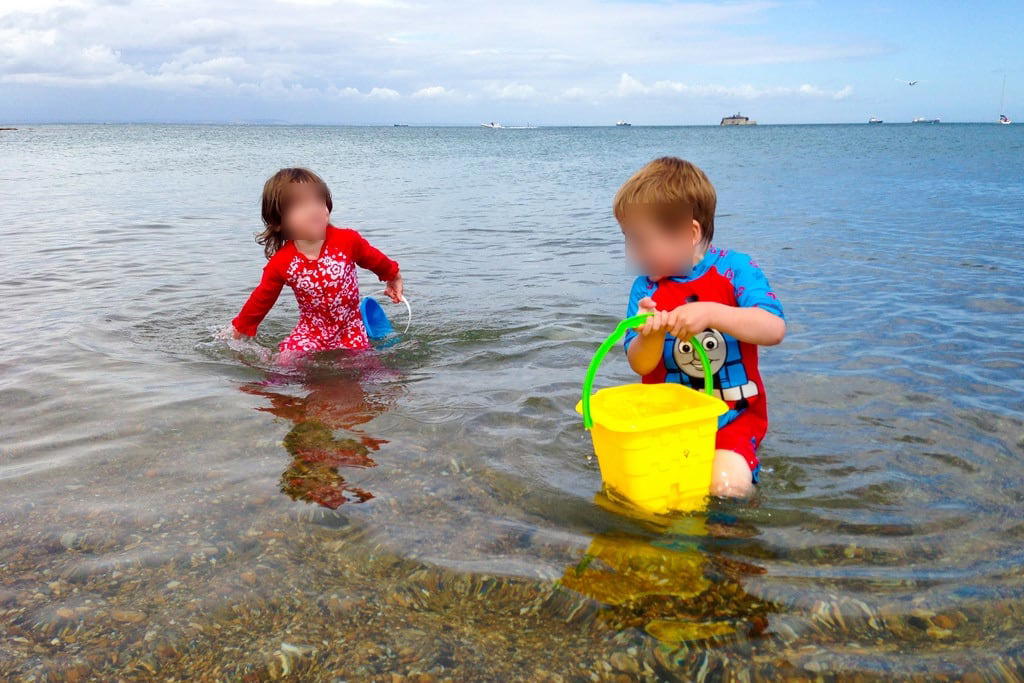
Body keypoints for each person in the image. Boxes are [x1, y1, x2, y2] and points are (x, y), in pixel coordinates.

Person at [615, 157, 785, 497]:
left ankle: (730, 544)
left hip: (731, 418)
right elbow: (640, 364)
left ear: (689, 234)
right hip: (666, 423)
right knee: (650, 496)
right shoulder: (646, 290)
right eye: (629, 239)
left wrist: (711, 313)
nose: (633, 252)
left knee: (725, 486)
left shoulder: (735, 270)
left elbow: (773, 329)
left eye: (641, 240)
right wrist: (651, 335)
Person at [231, 168, 404, 362]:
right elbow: (260, 300)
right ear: (278, 221)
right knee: (285, 361)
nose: (313, 209)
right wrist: (239, 330)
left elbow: (377, 261)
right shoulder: (282, 262)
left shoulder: (347, 241)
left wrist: (393, 277)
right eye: (301, 205)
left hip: (350, 329)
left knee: (363, 365)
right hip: (311, 333)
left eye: (318, 201)